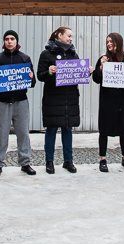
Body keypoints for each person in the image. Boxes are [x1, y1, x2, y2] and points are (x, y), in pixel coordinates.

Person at [37, 26, 92, 174]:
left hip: (70, 99)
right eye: (68, 35)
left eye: (71, 36)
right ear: (59, 35)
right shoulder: (46, 54)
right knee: (52, 129)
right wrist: (49, 71)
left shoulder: (73, 54)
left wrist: (87, 71)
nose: (70, 38)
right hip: (53, 98)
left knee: (68, 129)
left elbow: (78, 74)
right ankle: (49, 162)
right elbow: (40, 75)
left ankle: (68, 161)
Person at [0, 30, 37, 176]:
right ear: (4, 41)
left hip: (21, 101)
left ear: (16, 41)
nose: (9, 41)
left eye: (12, 38)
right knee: (1, 134)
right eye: (6, 39)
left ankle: (25, 163)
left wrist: (31, 77)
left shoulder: (25, 58)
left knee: (23, 134)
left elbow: (32, 83)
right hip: (3, 102)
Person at [92, 32, 124, 172]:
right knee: (104, 130)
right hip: (107, 100)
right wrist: (100, 68)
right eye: (107, 41)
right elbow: (96, 79)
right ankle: (102, 159)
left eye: (112, 41)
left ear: (119, 42)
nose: (109, 44)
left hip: (123, 101)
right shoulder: (103, 59)